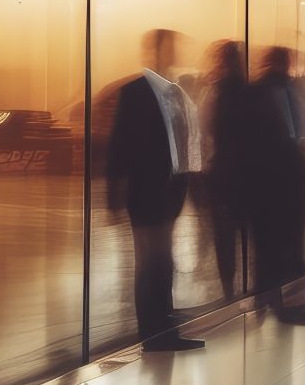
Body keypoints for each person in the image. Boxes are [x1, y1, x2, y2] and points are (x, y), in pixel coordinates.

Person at [106, 28, 203, 351]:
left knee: (161, 261)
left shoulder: (174, 92)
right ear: (156, 52)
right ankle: (155, 333)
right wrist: (114, 198)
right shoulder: (135, 92)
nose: (176, 53)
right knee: (152, 261)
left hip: (170, 189)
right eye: (171, 48)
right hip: (147, 192)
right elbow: (119, 146)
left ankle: (162, 324)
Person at [243, 47, 305, 324]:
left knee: (274, 241)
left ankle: (274, 299)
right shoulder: (275, 91)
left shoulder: (274, 89)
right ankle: (293, 305)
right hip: (282, 172)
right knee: (289, 241)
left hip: (275, 172)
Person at [200, 39, 253, 299]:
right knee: (249, 234)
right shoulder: (251, 92)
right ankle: (256, 289)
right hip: (247, 172)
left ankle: (228, 289)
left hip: (222, 172)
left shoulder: (215, 92)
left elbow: (205, 129)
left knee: (224, 237)